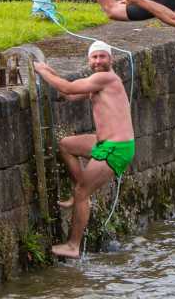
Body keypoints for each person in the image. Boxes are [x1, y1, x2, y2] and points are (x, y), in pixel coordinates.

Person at [33, 40, 135, 259]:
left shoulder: (106, 78)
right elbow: (69, 95)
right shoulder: (96, 81)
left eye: (102, 57)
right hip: (104, 143)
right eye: (94, 57)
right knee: (66, 145)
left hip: (116, 148)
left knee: (81, 193)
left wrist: (41, 70)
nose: (98, 61)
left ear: (111, 59)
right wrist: (50, 72)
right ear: (88, 60)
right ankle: (82, 193)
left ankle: (73, 246)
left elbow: (67, 87)